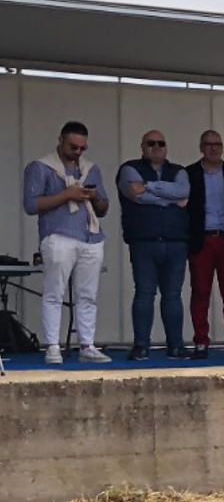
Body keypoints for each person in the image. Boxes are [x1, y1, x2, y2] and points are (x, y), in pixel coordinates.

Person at [22, 121, 111, 364]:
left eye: (83, 148)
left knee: (88, 295)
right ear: (60, 140)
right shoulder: (40, 167)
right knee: (54, 292)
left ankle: (87, 345)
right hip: (58, 234)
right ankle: (52, 346)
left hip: (91, 236)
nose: (79, 152)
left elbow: (103, 208)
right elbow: (31, 205)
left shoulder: (91, 169)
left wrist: (94, 197)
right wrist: (66, 195)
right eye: (73, 147)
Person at [116, 129, 190, 360]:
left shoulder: (179, 171)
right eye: (151, 143)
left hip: (176, 242)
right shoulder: (128, 168)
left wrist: (147, 186)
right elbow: (134, 195)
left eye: (161, 143)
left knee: (173, 296)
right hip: (144, 242)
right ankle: (141, 346)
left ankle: (176, 346)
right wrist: (170, 198)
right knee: (145, 294)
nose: (156, 147)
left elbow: (184, 191)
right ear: (142, 146)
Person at [181, 130, 224, 359]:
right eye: (208, 144)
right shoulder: (188, 174)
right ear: (201, 147)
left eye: (217, 144)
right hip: (202, 239)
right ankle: (201, 342)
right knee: (200, 293)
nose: (213, 148)